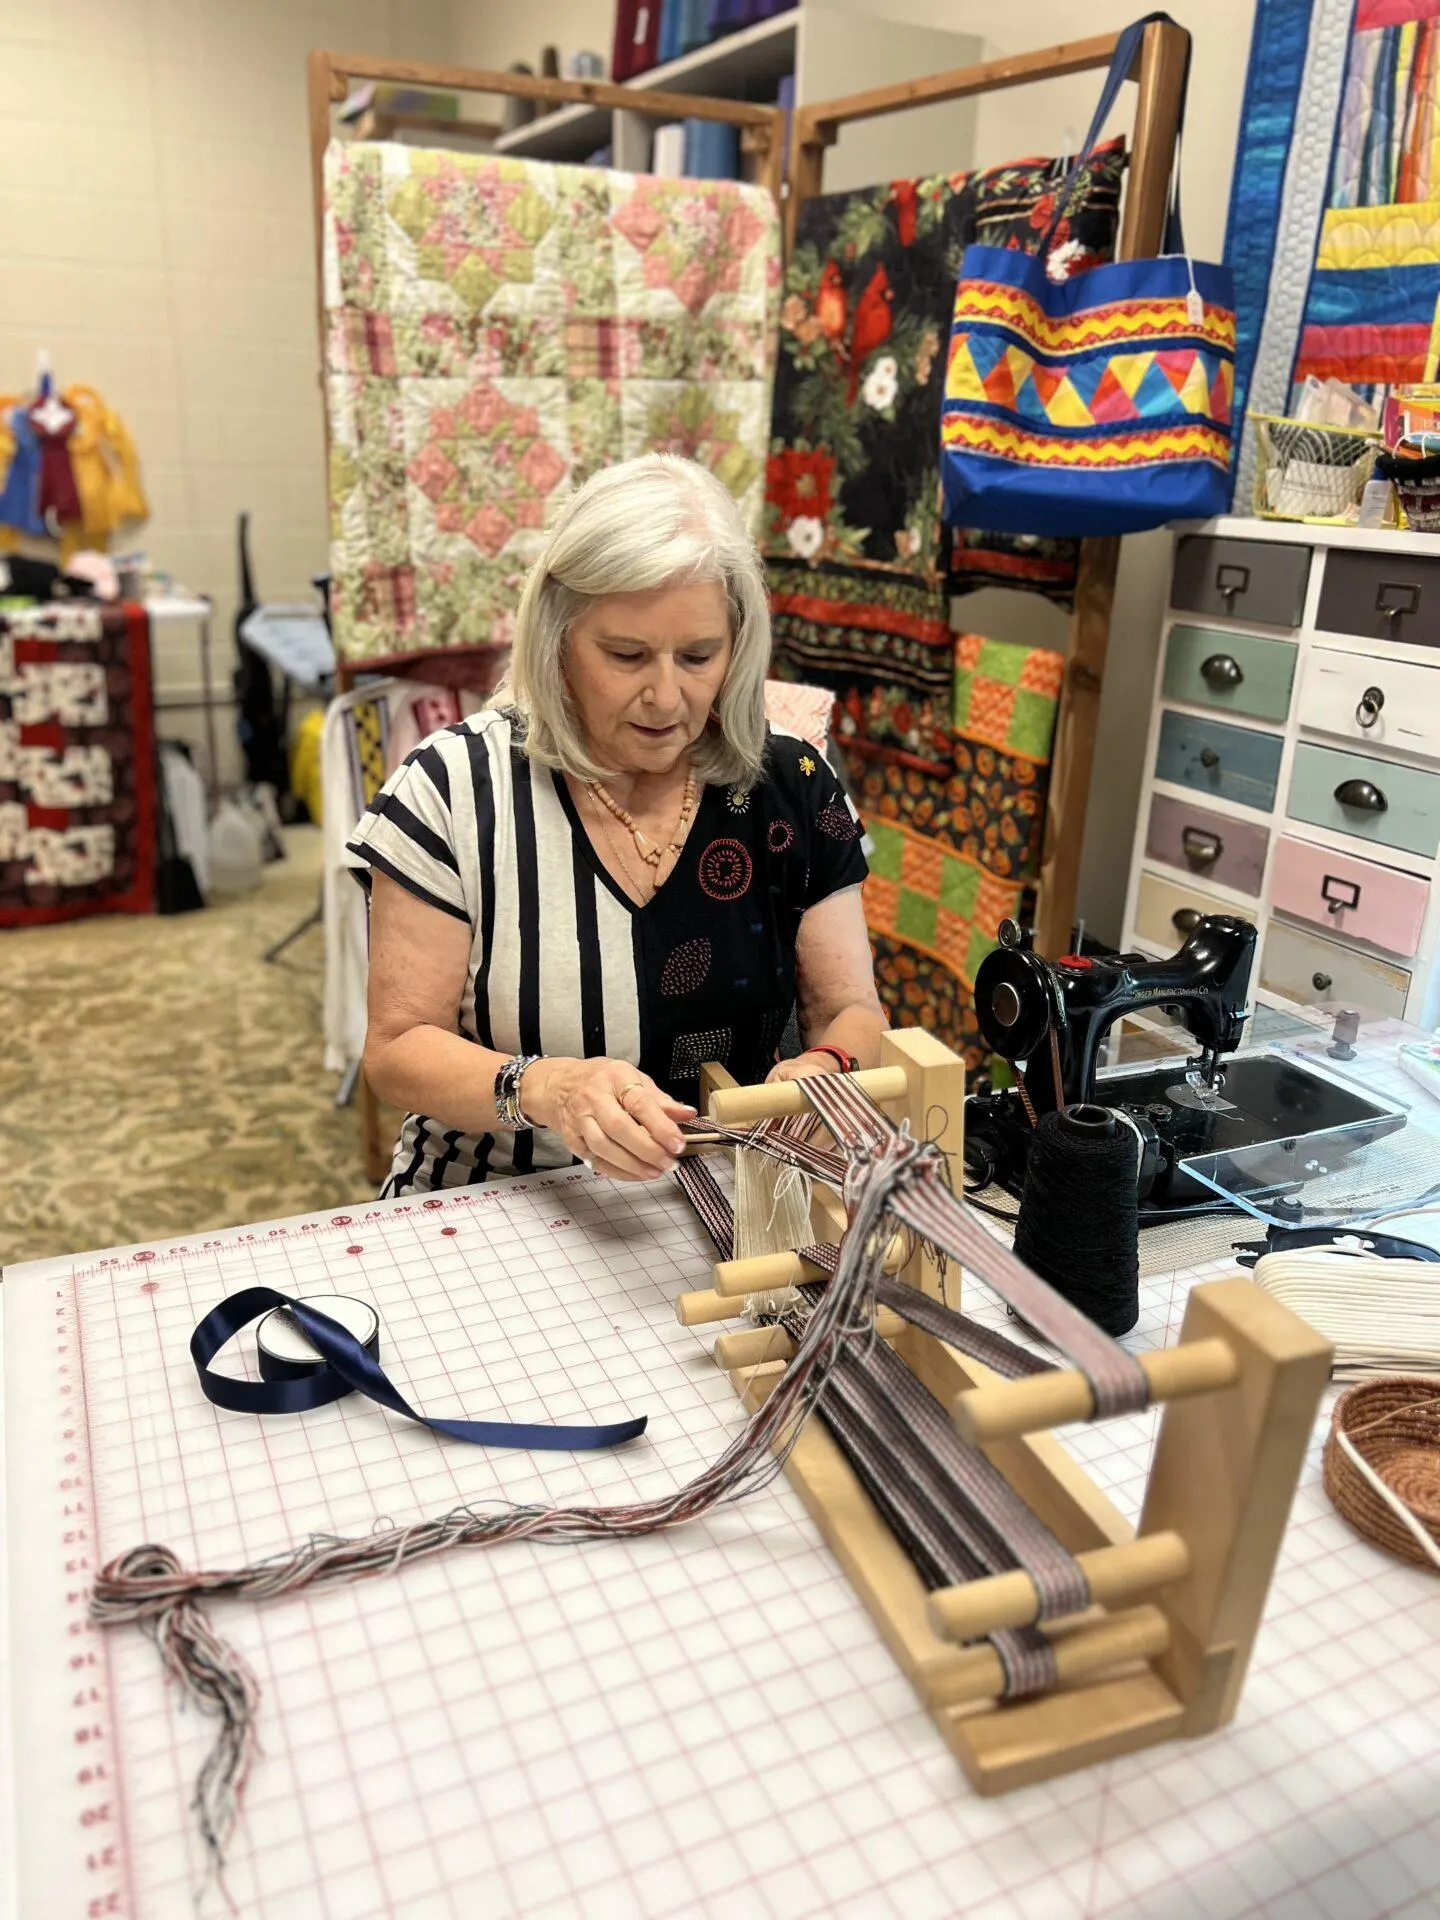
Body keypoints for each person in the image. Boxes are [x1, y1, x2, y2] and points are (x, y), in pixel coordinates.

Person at [348, 454, 888, 1194]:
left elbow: (852, 1009)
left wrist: (825, 1072)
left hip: (723, 1193)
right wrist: (545, 1089)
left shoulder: (787, 788)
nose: (666, 697)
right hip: (495, 1192)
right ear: (558, 640)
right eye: (626, 655)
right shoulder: (453, 789)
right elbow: (397, 1049)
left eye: (699, 656)